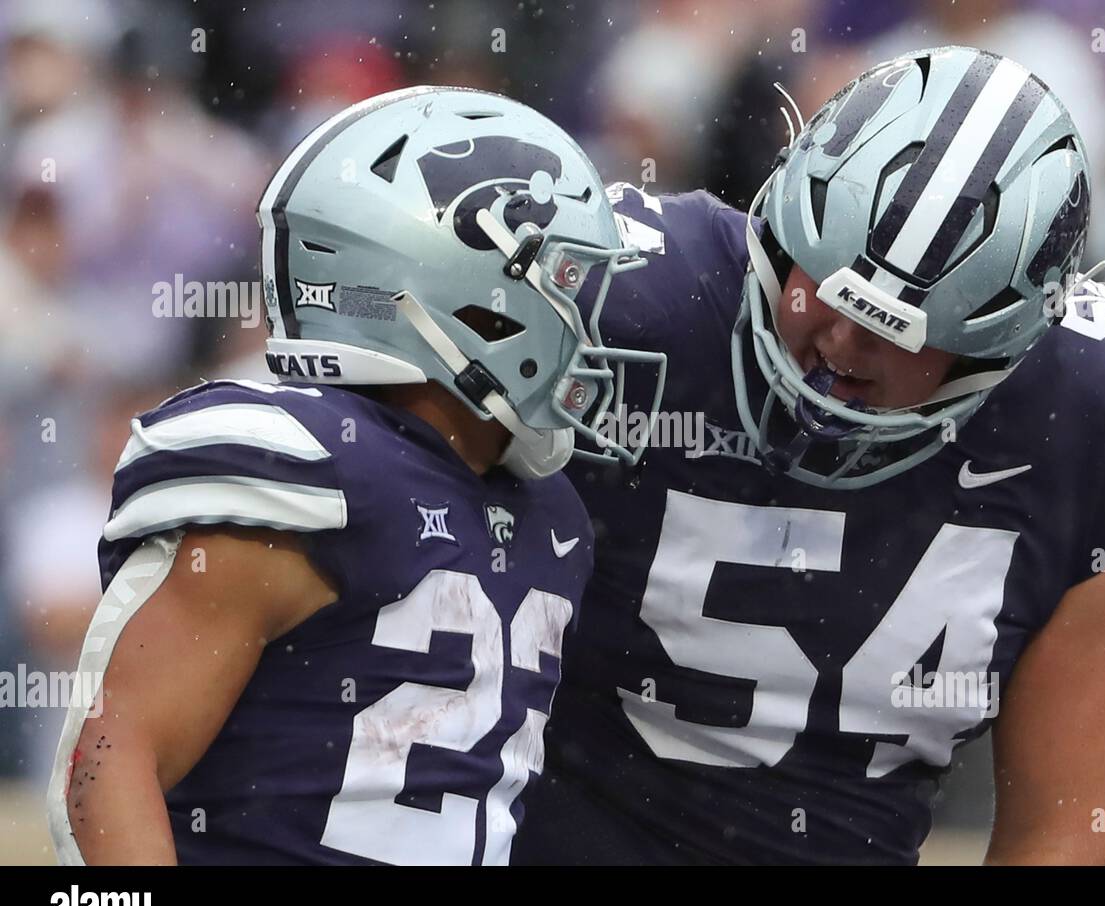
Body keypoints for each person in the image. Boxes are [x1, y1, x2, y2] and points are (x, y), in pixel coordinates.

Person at [515, 46, 1105, 865]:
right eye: (828, 285)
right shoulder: (621, 300)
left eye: (895, 333)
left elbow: (1070, 822)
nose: (840, 342)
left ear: (997, 348)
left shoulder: (1092, 409)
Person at [45, 86, 665, 865]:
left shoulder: (555, 513)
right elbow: (107, 765)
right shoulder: (304, 467)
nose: (590, 325)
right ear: (469, 289)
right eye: (566, 286)